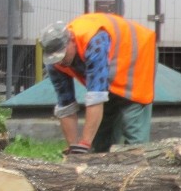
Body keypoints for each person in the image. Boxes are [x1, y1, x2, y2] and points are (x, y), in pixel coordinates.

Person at [39, 13, 156, 155]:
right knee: (102, 132)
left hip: (137, 52)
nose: (60, 62)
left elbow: (96, 97)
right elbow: (65, 106)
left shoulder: (94, 41)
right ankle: (103, 166)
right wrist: (74, 148)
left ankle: (138, 167)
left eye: (62, 55)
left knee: (131, 118)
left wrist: (85, 144)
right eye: (55, 58)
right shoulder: (55, 63)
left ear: (71, 40)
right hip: (112, 61)